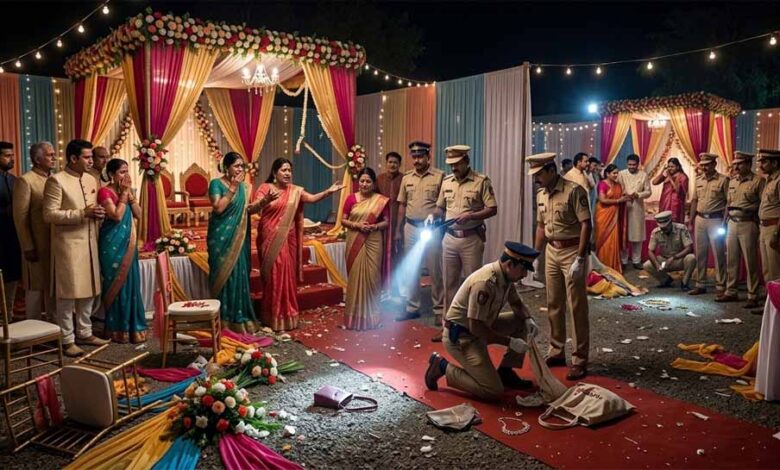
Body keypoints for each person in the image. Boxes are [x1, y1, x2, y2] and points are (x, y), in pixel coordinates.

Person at [424, 242, 540, 401]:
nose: (525, 274)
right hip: (463, 337)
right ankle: (442, 366)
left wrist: (528, 319)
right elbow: (476, 328)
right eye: (523, 269)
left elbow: (516, 303)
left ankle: (505, 372)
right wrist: (510, 342)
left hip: (483, 325)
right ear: (509, 264)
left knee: (520, 321)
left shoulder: (506, 277)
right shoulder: (485, 283)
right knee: (492, 391)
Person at [253, 158, 342, 331]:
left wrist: (328, 191)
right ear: (275, 172)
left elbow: (312, 198)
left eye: (289, 170)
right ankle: (272, 315)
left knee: (285, 273)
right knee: (273, 275)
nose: (287, 173)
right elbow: (254, 208)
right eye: (283, 170)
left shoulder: (295, 190)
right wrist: (265, 200)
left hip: (288, 237)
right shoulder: (265, 188)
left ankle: (286, 314)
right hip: (269, 235)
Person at [43, 139, 109, 357]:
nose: (91, 161)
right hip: (68, 246)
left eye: (91, 157)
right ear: (73, 158)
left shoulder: (90, 179)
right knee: (67, 294)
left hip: (91, 243)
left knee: (89, 290)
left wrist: (98, 214)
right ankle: (67, 339)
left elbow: (92, 208)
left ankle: (85, 332)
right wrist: (82, 213)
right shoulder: (57, 180)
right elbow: (49, 214)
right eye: (87, 157)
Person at [529, 152, 591, 380]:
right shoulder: (541, 194)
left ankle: (579, 359)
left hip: (572, 251)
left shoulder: (574, 191)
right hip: (552, 252)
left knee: (576, 306)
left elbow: (586, 225)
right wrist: (535, 255)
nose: (535, 179)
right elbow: (540, 226)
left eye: (539, 174)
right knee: (553, 303)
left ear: (551, 170)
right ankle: (556, 351)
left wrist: (581, 258)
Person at [430, 145, 498, 342]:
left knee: (472, 285)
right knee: (449, 284)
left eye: (457, 164)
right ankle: (447, 327)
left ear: (466, 161)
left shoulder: (481, 181)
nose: (454, 168)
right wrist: (432, 216)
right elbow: (440, 207)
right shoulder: (447, 182)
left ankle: (471, 327)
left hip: (471, 239)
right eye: (451, 165)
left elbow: (492, 208)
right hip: (449, 238)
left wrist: (472, 215)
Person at [208, 152, 263, 332]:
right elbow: (218, 208)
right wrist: (232, 187)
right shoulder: (216, 184)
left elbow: (248, 210)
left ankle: (239, 318)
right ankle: (223, 319)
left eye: (242, 166)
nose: (240, 169)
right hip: (221, 237)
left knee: (240, 272)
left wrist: (264, 202)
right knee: (223, 274)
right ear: (227, 167)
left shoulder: (245, 187)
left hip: (240, 237)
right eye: (236, 166)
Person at [97, 158, 146, 343]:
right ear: (111, 174)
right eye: (122, 172)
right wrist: (125, 194)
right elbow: (116, 216)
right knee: (116, 283)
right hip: (111, 244)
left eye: (127, 171)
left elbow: (139, 214)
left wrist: (129, 196)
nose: (126, 175)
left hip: (128, 244)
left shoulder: (127, 192)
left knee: (130, 282)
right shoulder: (104, 192)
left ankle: (133, 328)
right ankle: (116, 328)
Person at [394, 141, 444, 323]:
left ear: (428, 156)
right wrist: (398, 230)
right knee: (411, 268)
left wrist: (435, 216)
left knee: (434, 269)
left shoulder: (439, 176)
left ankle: (439, 310)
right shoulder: (407, 178)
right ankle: (412, 307)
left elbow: (442, 205)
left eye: (420, 156)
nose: (416, 160)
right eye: (414, 157)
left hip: (431, 229)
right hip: (410, 227)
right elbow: (402, 205)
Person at [342, 167, 391, 330]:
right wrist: (357, 225)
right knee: (355, 277)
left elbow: (386, 222)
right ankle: (354, 318)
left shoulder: (380, 200)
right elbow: (343, 220)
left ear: (373, 183)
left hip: (373, 240)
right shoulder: (351, 199)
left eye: (368, 181)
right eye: (362, 181)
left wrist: (374, 226)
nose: (364, 184)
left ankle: (372, 318)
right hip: (355, 238)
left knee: (372, 277)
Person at [12, 142, 56, 320]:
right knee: (35, 287)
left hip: (55, 243)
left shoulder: (55, 179)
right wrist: (27, 246)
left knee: (53, 285)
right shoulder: (26, 180)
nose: (54, 157)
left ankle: (53, 326)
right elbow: (20, 218)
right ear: (38, 160)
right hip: (35, 245)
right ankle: (33, 327)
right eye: (50, 155)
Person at [717, 152, 765, 308]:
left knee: (750, 261)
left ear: (749, 164)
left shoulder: (758, 181)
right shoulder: (732, 181)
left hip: (748, 223)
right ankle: (731, 291)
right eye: (735, 164)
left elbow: (763, 204)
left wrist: (754, 216)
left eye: (740, 163)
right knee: (731, 259)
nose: (736, 166)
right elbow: (728, 204)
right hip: (732, 223)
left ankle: (752, 294)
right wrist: (724, 222)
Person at [688, 153, 729, 296]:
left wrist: (724, 223)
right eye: (702, 165)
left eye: (707, 165)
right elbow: (694, 201)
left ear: (714, 164)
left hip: (716, 220)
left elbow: (728, 203)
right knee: (700, 253)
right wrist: (691, 220)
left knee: (718, 253)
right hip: (700, 219)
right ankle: (700, 284)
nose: (704, 167)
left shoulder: (723, 180)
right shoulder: (699, 180)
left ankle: (721, 284)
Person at [642, 211, 696, 289]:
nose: (664, 229)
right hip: (665, 260)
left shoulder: (681, 228)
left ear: (671, 222)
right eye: (662, 228)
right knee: (647, 265)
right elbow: (650, 251)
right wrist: (656, 264)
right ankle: (666, 280)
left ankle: (685, 282)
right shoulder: (656, 232)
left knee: (691, 258)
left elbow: (689, 248)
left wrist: (674, 257)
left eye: (666, 227)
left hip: (679, 259)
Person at [618, 154, 652, 269]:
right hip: (624, 208)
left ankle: (636, 261)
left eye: (634, 165)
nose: (631, 167)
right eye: (629, 164)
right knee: (624, 235)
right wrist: (623, 195)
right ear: (626, 164)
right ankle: (623, 260)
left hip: (637, 209)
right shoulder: (621, 174)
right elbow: (616, 188)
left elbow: (648, 192)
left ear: (638, 165)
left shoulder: (643, 175)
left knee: (637, 236)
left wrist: (638, 194)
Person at [0, 141, 21, 317]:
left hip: (13, 236)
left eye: (12, 155)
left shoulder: (14, 180)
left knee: (12, 276)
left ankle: (8, 315)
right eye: (7, 156)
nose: (12, 159)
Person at [594, 164, 627, 272]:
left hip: (614, 215)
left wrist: (626, 197)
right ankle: (602, 265)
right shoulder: (602, 184)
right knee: (603, 240)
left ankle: (613, 265)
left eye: (617, 173)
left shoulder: (618, 185)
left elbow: (621, 196)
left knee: (612, 240)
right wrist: (618, 201)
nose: (616, 175)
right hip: (603, 215)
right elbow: (602, 200)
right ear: (607, 174)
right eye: (614, 173)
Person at [377, 151, 404, 269]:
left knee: (399, 252)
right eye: (390, 162)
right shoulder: (379, 179)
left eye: (395, 163)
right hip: (383, 222)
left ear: (399, 164)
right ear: (386, 163)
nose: (392, 165)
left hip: (399, 222)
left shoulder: (404, 179)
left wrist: (399, 228)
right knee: (382, 252)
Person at [757, 148, 780, 284]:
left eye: (764, 162)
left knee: (775, 268)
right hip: (764, 228)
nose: (760, 165)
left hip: (774, 228)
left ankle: (776, 296)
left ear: (775, 163)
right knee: (766, 268)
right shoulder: (769, 180)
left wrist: (776, 234)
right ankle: (769, 295)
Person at [653, 157, 689, 224]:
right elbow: (654, 182)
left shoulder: (683, 177)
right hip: (665, 204)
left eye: (672, 167)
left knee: (675, 226)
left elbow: (678, 191)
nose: (670, 168)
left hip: (676, 207)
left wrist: (670, 177)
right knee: (664, 224)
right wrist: (662, 172)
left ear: (678, 167)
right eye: (669, 166)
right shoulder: (666, 175)